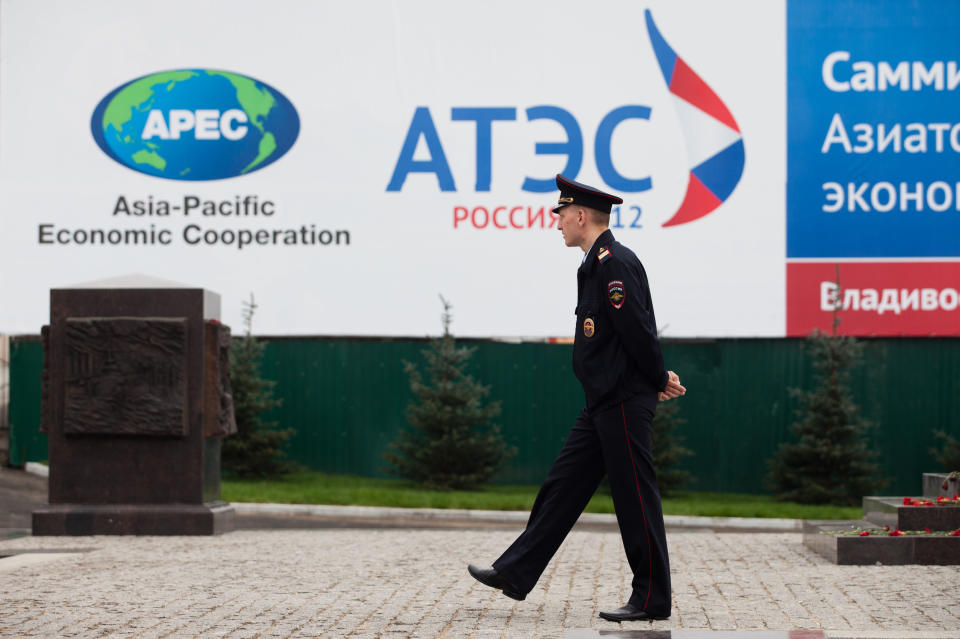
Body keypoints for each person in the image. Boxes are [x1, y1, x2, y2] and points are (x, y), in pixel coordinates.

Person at [468, 174, 686, 623]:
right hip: (602, 402)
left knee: (634, 500)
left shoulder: (614, 263)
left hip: (623, 400)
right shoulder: (594, 265)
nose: (557, 223)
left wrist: (657, 376)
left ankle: (651, 599)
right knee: (561, 487)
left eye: (562, 214)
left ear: (582, 216)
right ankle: (515, 572)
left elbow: (638, 331)